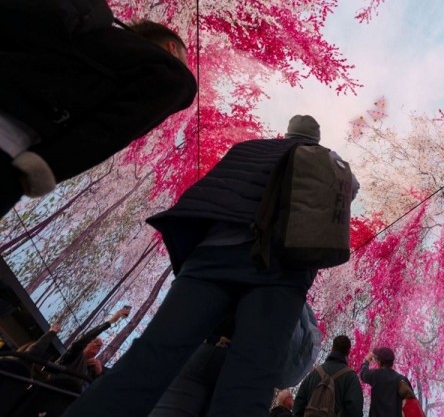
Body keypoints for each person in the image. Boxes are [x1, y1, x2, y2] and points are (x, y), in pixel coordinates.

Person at [64, 115, 356, 417]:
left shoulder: (248, 148)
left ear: (286, 133)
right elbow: (350, 191)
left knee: (152, 355)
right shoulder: (330, 162)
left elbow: (216, 190)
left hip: (215, 257)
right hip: (280, 272)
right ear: (316, 140)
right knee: (249, 382)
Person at [0, 0, 197, 218]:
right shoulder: (172, 74)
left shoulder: (91, 31)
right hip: (10, 134)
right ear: (173, 48)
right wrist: (50, 164)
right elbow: (117, 124)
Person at [293, 334, 364, 417]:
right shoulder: (350, 377)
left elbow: (298, 404)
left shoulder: (314, 373)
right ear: (348, 352)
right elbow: (355, 410)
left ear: (332, 348)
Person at [359, 347, 410, 417]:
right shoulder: (401, 379)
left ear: (379, 362)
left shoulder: (375, 375)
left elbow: (363, 374)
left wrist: (366, 361)